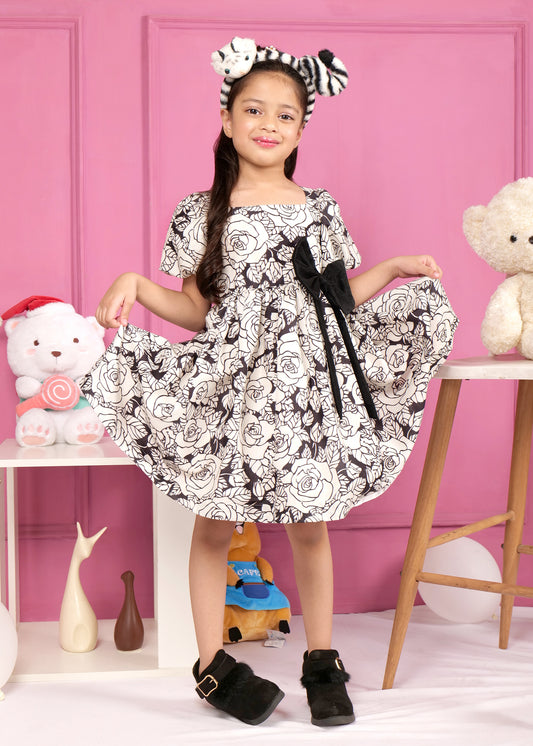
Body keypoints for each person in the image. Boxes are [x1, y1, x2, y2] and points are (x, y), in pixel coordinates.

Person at [80, 38, 457, 728]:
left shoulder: (318, 207)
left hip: (305, 388)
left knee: (309, 526)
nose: (268, 124)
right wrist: (137, 284)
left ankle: (322, 662)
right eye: (253, 109)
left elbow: (336, 300)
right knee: (214, 523)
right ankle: (211, 668)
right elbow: (196, 309)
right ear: (226, 119)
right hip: (235, 385)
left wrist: (395, 267)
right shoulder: (202, 211)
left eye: (284, 115)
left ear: (301, 131)